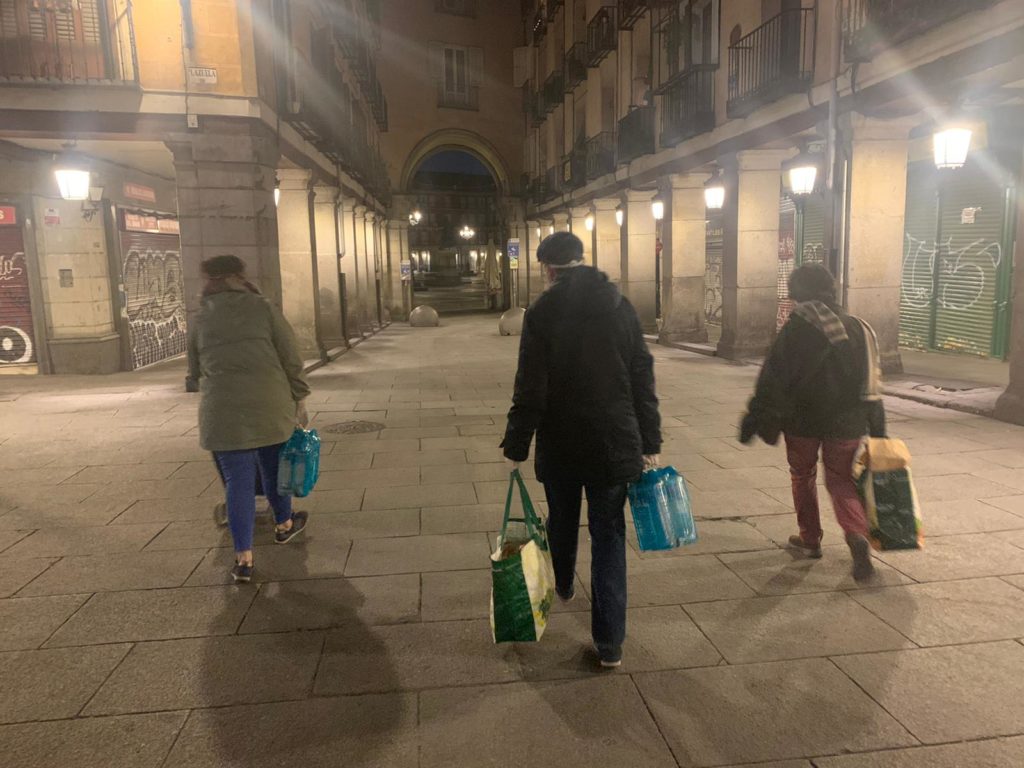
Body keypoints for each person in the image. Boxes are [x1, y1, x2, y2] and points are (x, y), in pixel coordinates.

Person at [502, 232, 661, 669]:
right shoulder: (620, 306)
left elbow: (530, 385)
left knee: (562, 517)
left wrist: (516, 443)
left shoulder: (542, 312)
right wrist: (650, 440)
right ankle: (610, 644)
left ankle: (564, 582)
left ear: (549, 269)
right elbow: (642, 376)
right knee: (609, 535)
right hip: (614, 440)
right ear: (580, 260)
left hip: (562, 441)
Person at [740, 263, 885, 581]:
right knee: (841, 480)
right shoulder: (858, 328)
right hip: (847, 423)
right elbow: (872, 382)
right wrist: (878, 428)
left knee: (802, 475)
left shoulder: (796, 329)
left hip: (802, 422)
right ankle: (856, 534)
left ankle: (809, 539)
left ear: (797, 293)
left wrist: (756, 415)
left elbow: (773, 377)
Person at [188, 254, 311, 584]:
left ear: (209, 280)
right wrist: (300, 396)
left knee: (237, 483)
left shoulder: (201, 318)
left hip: (222, 411)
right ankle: (284, 524)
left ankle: (243, 559)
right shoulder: (263, 308)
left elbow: (194, 370)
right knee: (273, 468)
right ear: (240, 277)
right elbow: (291, 357)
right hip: (270, 404)